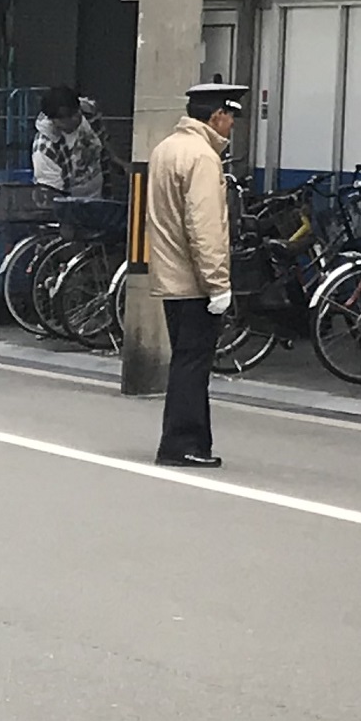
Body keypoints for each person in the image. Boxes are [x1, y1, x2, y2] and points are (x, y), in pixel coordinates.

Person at [145, 80, 244, 468]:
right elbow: (204, 228)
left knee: (186, 359)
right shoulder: (202, 157)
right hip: (194, 280)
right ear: (217, 115)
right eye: (231, 117)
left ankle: (193, 442)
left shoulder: (166, 149)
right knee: (192, 364)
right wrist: (218, 284)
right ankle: (181, 443)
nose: (232, 125)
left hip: (171, 276)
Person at [32, 86, 109, 201]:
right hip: (71, 204)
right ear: (53, 120)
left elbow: (102, 140)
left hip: (98, 195)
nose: (75, 118)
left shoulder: (88, 111)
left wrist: (119, 163)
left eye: (75, 112)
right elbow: (53, 197)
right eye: (66, 117)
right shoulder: (45, 150)